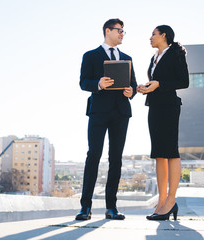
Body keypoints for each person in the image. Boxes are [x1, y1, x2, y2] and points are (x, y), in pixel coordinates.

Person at [76, 18, 137, 221]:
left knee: (116, 159)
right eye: (119, 31)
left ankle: (111, 208)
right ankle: (85, 207)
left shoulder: (127, 58)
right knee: (93, 155)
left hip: (121, 112)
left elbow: (134, 85)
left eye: (123, 31)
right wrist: (99, 84)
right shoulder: (91, 56)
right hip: (99, 112)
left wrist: (131, 91)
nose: (122, 34)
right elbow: (84, 82)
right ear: (108, 31)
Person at [137, 25, 189, 221]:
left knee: (170, 152)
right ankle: (161, 202)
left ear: (163, 35)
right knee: (159, 153)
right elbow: (156, 82)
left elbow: (184, 81)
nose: (150, 37)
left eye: (153, 34)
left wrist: (160, 84)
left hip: (169, 107)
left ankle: (171, 200)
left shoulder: (176, 53)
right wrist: (146, 87)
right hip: (155, 107)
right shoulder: (154, 58)